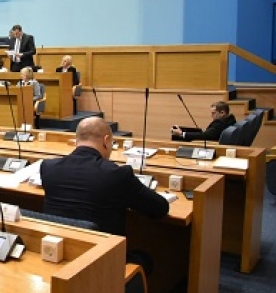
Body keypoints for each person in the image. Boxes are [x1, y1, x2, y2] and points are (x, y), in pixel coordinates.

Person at [41, 117, 169, 236]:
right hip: (103, 250)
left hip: (57, 246)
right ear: (106, 141)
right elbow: (159, 209)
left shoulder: (48, 167)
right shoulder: (117, 175)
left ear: (77, 140)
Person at [171, 101, 236, 142]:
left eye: (213, 113)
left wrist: (182, 134)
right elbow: (211, 133)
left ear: (222, 113)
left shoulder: (220, 123)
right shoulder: (230, 120)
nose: (211, 115)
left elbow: (206, 136)